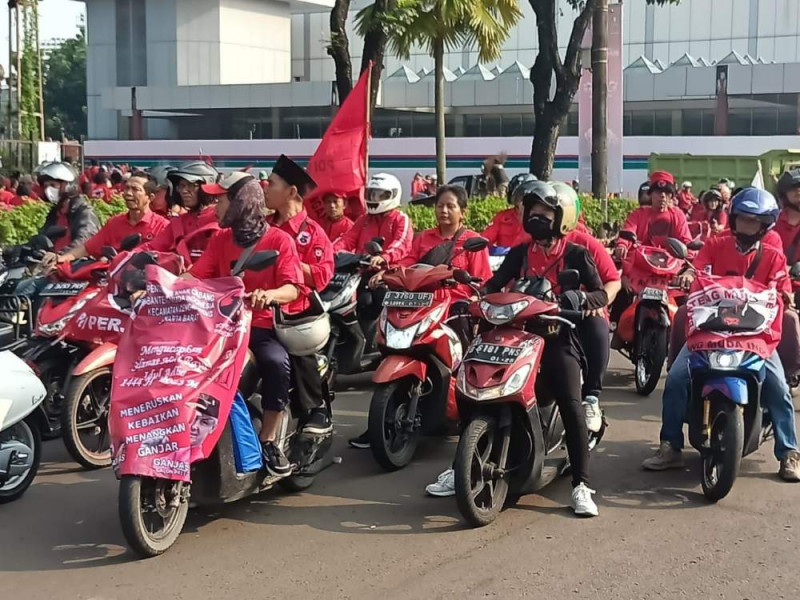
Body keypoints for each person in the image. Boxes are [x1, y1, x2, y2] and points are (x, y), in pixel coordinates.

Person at [469, 180, 607, 516]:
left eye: (545, 212)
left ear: (563, 217)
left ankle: (581, 484)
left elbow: (601, 293)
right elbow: (493, 286)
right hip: (517, 336)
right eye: (532, 212)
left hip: (557, 336)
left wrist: (579, 298)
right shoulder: (519, 252)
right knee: (475, 390)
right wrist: (475, 295)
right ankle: (461, 464)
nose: (536, 217)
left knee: (572, 404)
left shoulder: (576, 253)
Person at [644, 188, 800, 481]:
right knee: (677, 379)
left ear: (765, 225)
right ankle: (670, 446)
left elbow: (783, 287)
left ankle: (789, 452)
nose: (748, 227)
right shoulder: (715, 244)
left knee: (779, 387)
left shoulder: (774, 256)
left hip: (756, 337)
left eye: (755, 222)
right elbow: (697, 269)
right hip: (710, 330)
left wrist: (786, 295)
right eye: (743, 220)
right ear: (734, 220)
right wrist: (689, 275)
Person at [189, 173, 307, 477]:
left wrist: (269, 295)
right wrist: (160, 287)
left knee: (275, 362)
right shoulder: (219, 239)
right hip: (218, 327)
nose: (215, 206)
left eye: (222, 198)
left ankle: (268, 440)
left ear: (241, 202)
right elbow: (195, 276)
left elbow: (293, 287)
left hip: (259, 327)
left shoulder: (279, 240)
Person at [263, 155, 334, 434]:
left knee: (294, 348)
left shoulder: (313, 233)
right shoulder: (262, 226)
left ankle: (314, 409)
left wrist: (288, 262)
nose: (265, 189)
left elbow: (321, 276)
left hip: (294, 311)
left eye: (271, 184)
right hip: (257, 308)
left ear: (291, 192)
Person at [553, 182, 621, 433]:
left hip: (579, 312)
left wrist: (596, 302)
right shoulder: (527, 245)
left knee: (597, 325)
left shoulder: (584, 244)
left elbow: (612, 281)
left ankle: (591, 395)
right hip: (538, 312)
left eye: (551, 210)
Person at [333, 172, 413, 349]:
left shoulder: (401, 219)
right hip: (361, 274)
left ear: (393, 194)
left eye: (379, 195)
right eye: (371, 194)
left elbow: (401, 244)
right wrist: (330, 252)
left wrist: (384, 257)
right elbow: (347, 239)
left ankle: (378, 345)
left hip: (390, 276)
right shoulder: (364, 219)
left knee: (374, 301)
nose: (373, 198)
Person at [15, 162, 101, 298]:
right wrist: (16, 249)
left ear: (68, 186)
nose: (49, 190)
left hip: (73, 270)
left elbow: (84, 240)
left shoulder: (84, 211)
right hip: (52, 269)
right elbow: (41, 237)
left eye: (53, 185)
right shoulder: (56, 212)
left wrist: (59, 256)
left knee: (24, 289)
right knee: (13, 284)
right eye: (46, 186)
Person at [51, 173, 169, 266]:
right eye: (126, 188)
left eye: (135, 189)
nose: (128, 193)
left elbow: (168, 263)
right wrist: (60, 259)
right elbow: (87, 248)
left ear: (150, 197)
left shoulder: (163, 227)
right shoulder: (114, 223)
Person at [142, 161, 220, 264]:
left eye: (192, 185)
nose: (184, 190)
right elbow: (152, 247)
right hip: (184, 278)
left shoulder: (221, 218)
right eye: (181, 186)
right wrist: (127, 256)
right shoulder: (177, 223)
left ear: (208, 185)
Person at [614, 171, 692, 262]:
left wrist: (689, 253)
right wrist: (622, 245)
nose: (662, 196)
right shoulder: (638, 214)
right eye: (658, 192)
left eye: (666, 193)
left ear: (671, 196)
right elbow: (628, 232)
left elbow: (686, 242)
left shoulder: (678, 215)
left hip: (671, 265)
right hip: (641, 264)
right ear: (651, 194)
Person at [481, 173, 537, 248]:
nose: (522, 199)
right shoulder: (503, 216)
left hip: (531, 257)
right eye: (519, 195)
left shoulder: (540, 218)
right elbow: (486, 238)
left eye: (525, 195)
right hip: (504, 258)